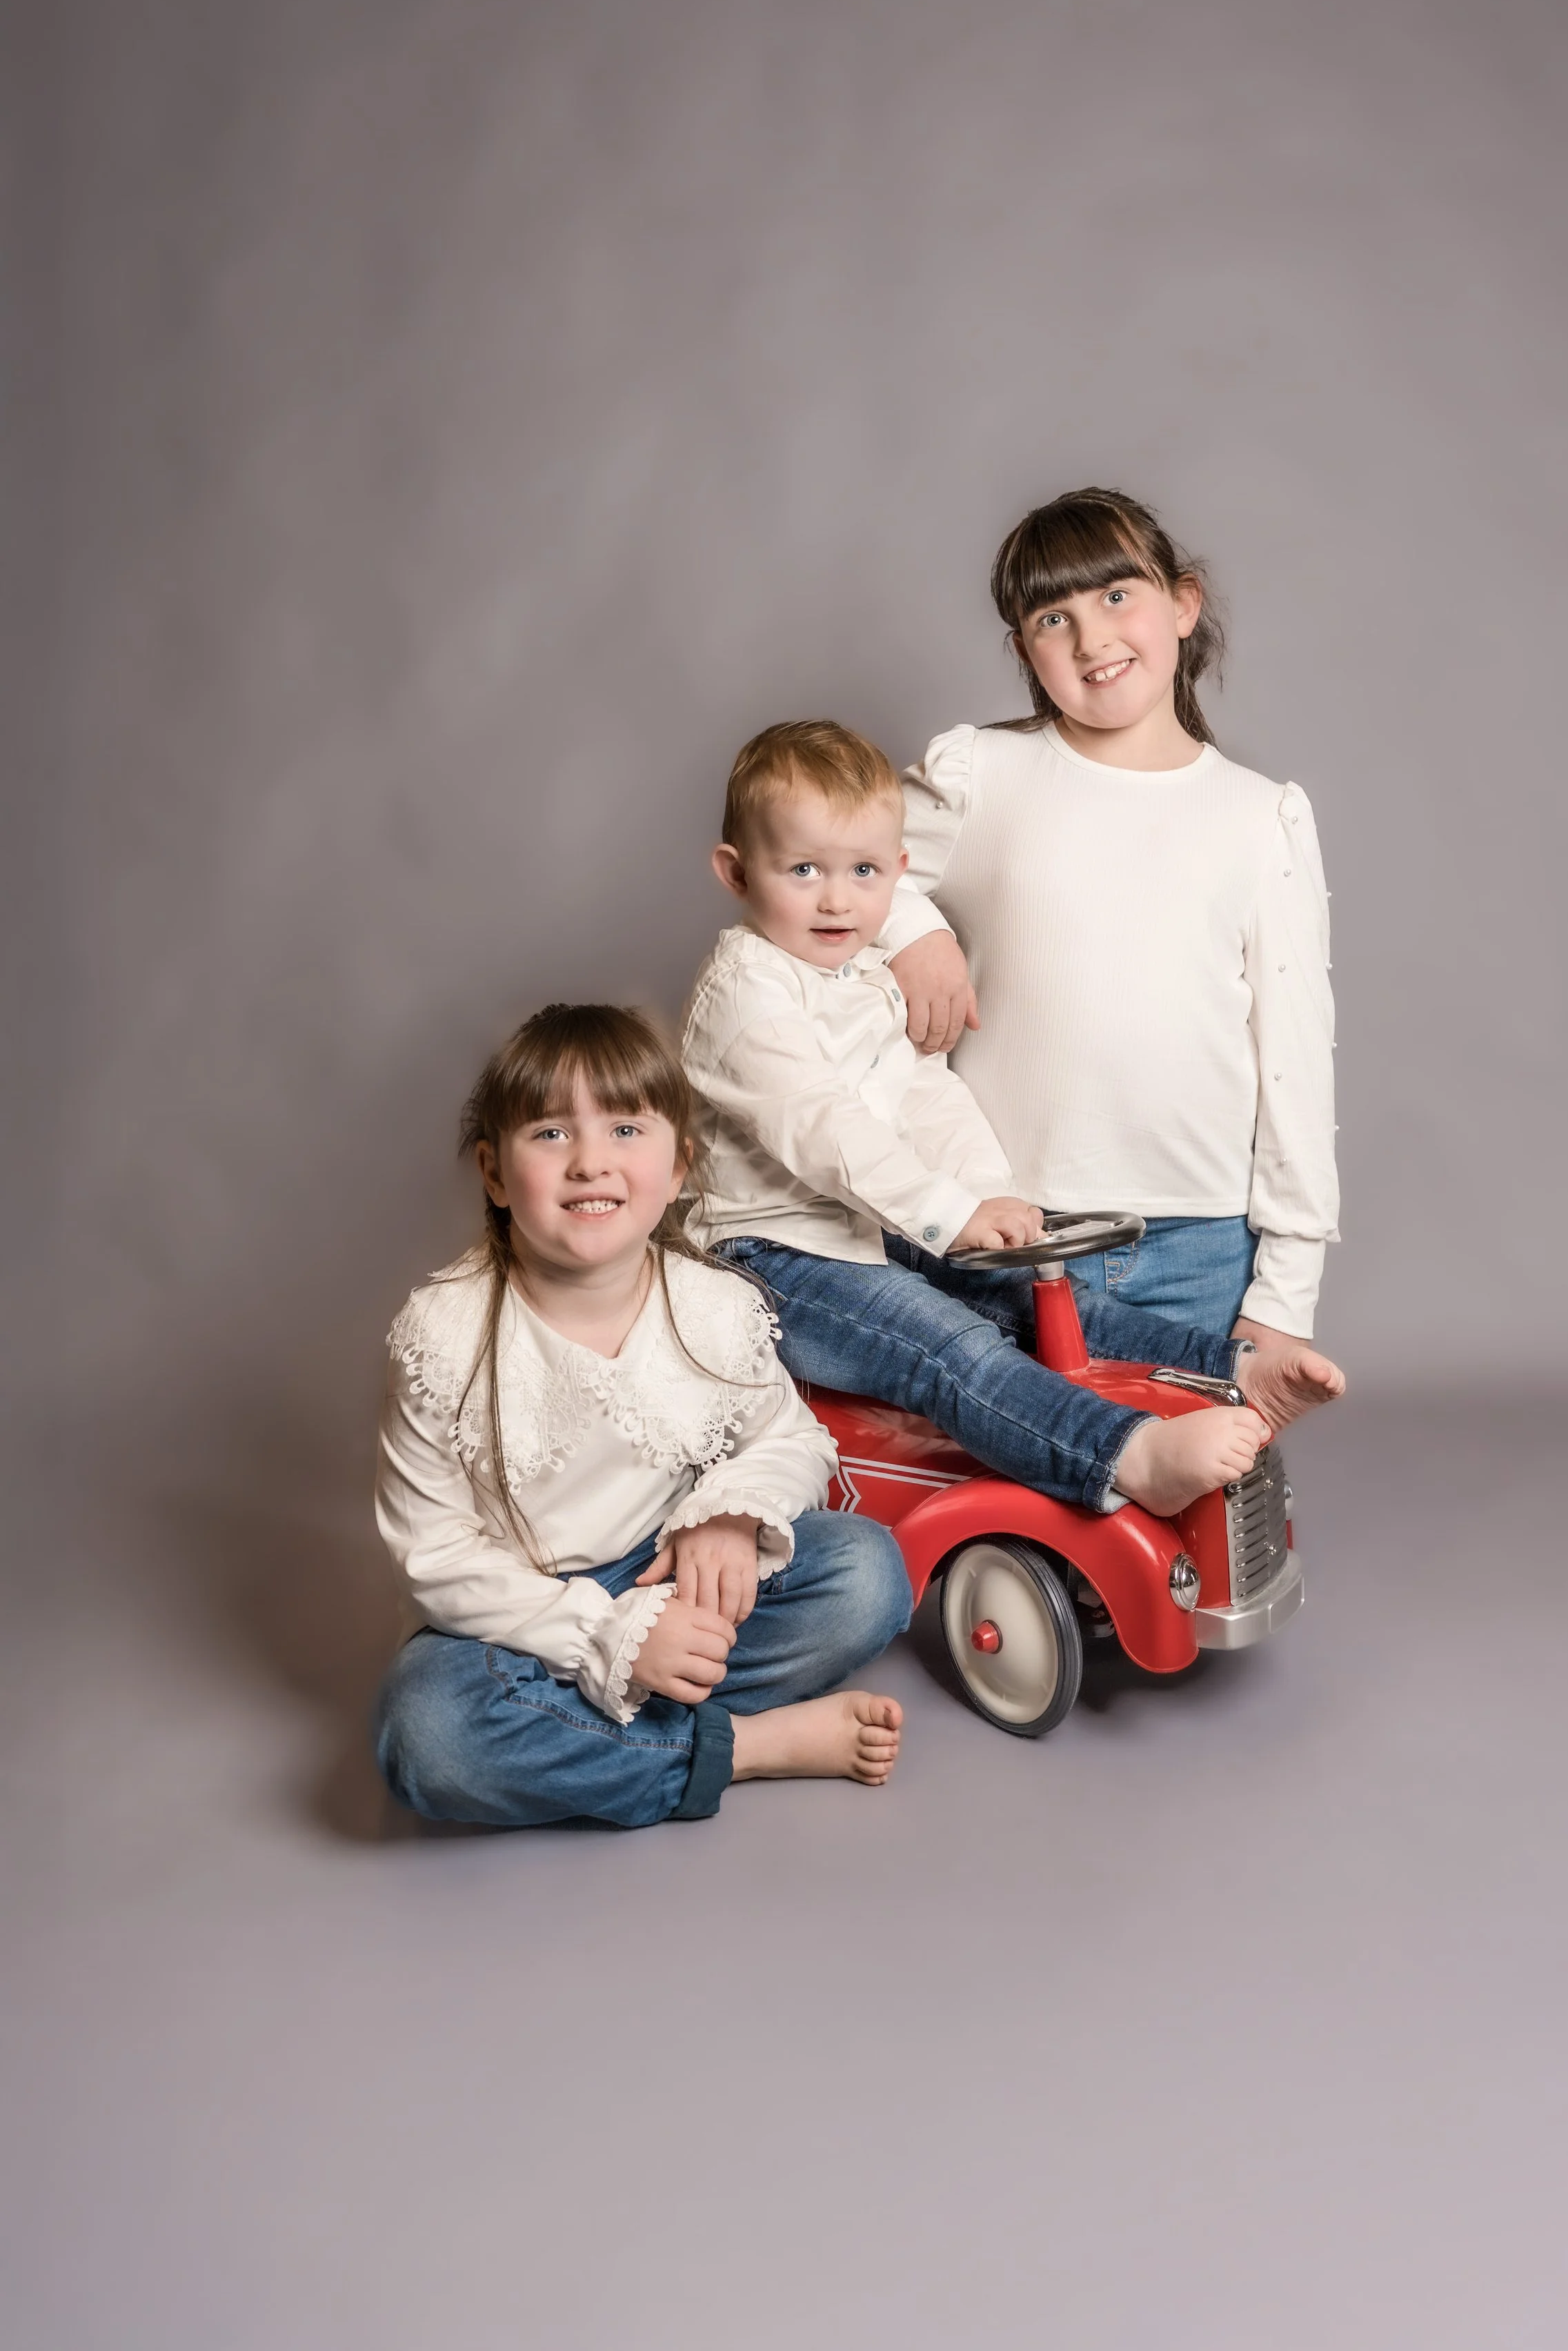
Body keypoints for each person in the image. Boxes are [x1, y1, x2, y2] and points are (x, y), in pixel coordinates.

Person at [681, 722, 1342, 1525]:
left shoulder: (859, 974)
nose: (835, 898)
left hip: (868, 1230)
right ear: (736, 872)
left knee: (1030, 1298)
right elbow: (827, 1135)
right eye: (803, 871)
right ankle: (1122, 1453)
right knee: (947, 1347)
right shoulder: (745, 992)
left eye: (861, 872)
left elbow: (925, 1092)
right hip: (773, 1257)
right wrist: (952, 1213)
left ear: (898, 873)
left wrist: (990, 1198)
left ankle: (1232, 1370)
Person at [372, 1002, 911, 1829]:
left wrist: (727, 1520)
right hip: (510, 1621)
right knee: (431, 1735)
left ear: (681, 1166)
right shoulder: (443, 1334)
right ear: (493, 1173)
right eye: (550, 1135)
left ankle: (608, 1733)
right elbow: (435, 1556)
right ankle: (746, 1747)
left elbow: (793, 1440)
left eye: (626, 1130)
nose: (591, 1163)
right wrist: (604, 1638)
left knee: (866, 1574)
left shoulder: (711, 1307)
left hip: (669, 1579)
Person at [879, 487, 1340, 1355]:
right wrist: (913, 928)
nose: (1092, 639)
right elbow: (828, 872)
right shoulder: (982, 773)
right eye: (1054, 618)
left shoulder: (1258, 816)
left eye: (1116, 596)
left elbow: (1294, 1064)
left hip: (1197, 1245)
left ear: (1183, 603)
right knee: (993, 1483)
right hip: (996, 1230)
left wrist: (1286, 1295)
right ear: (1024, 649)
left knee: (1179, 1483)